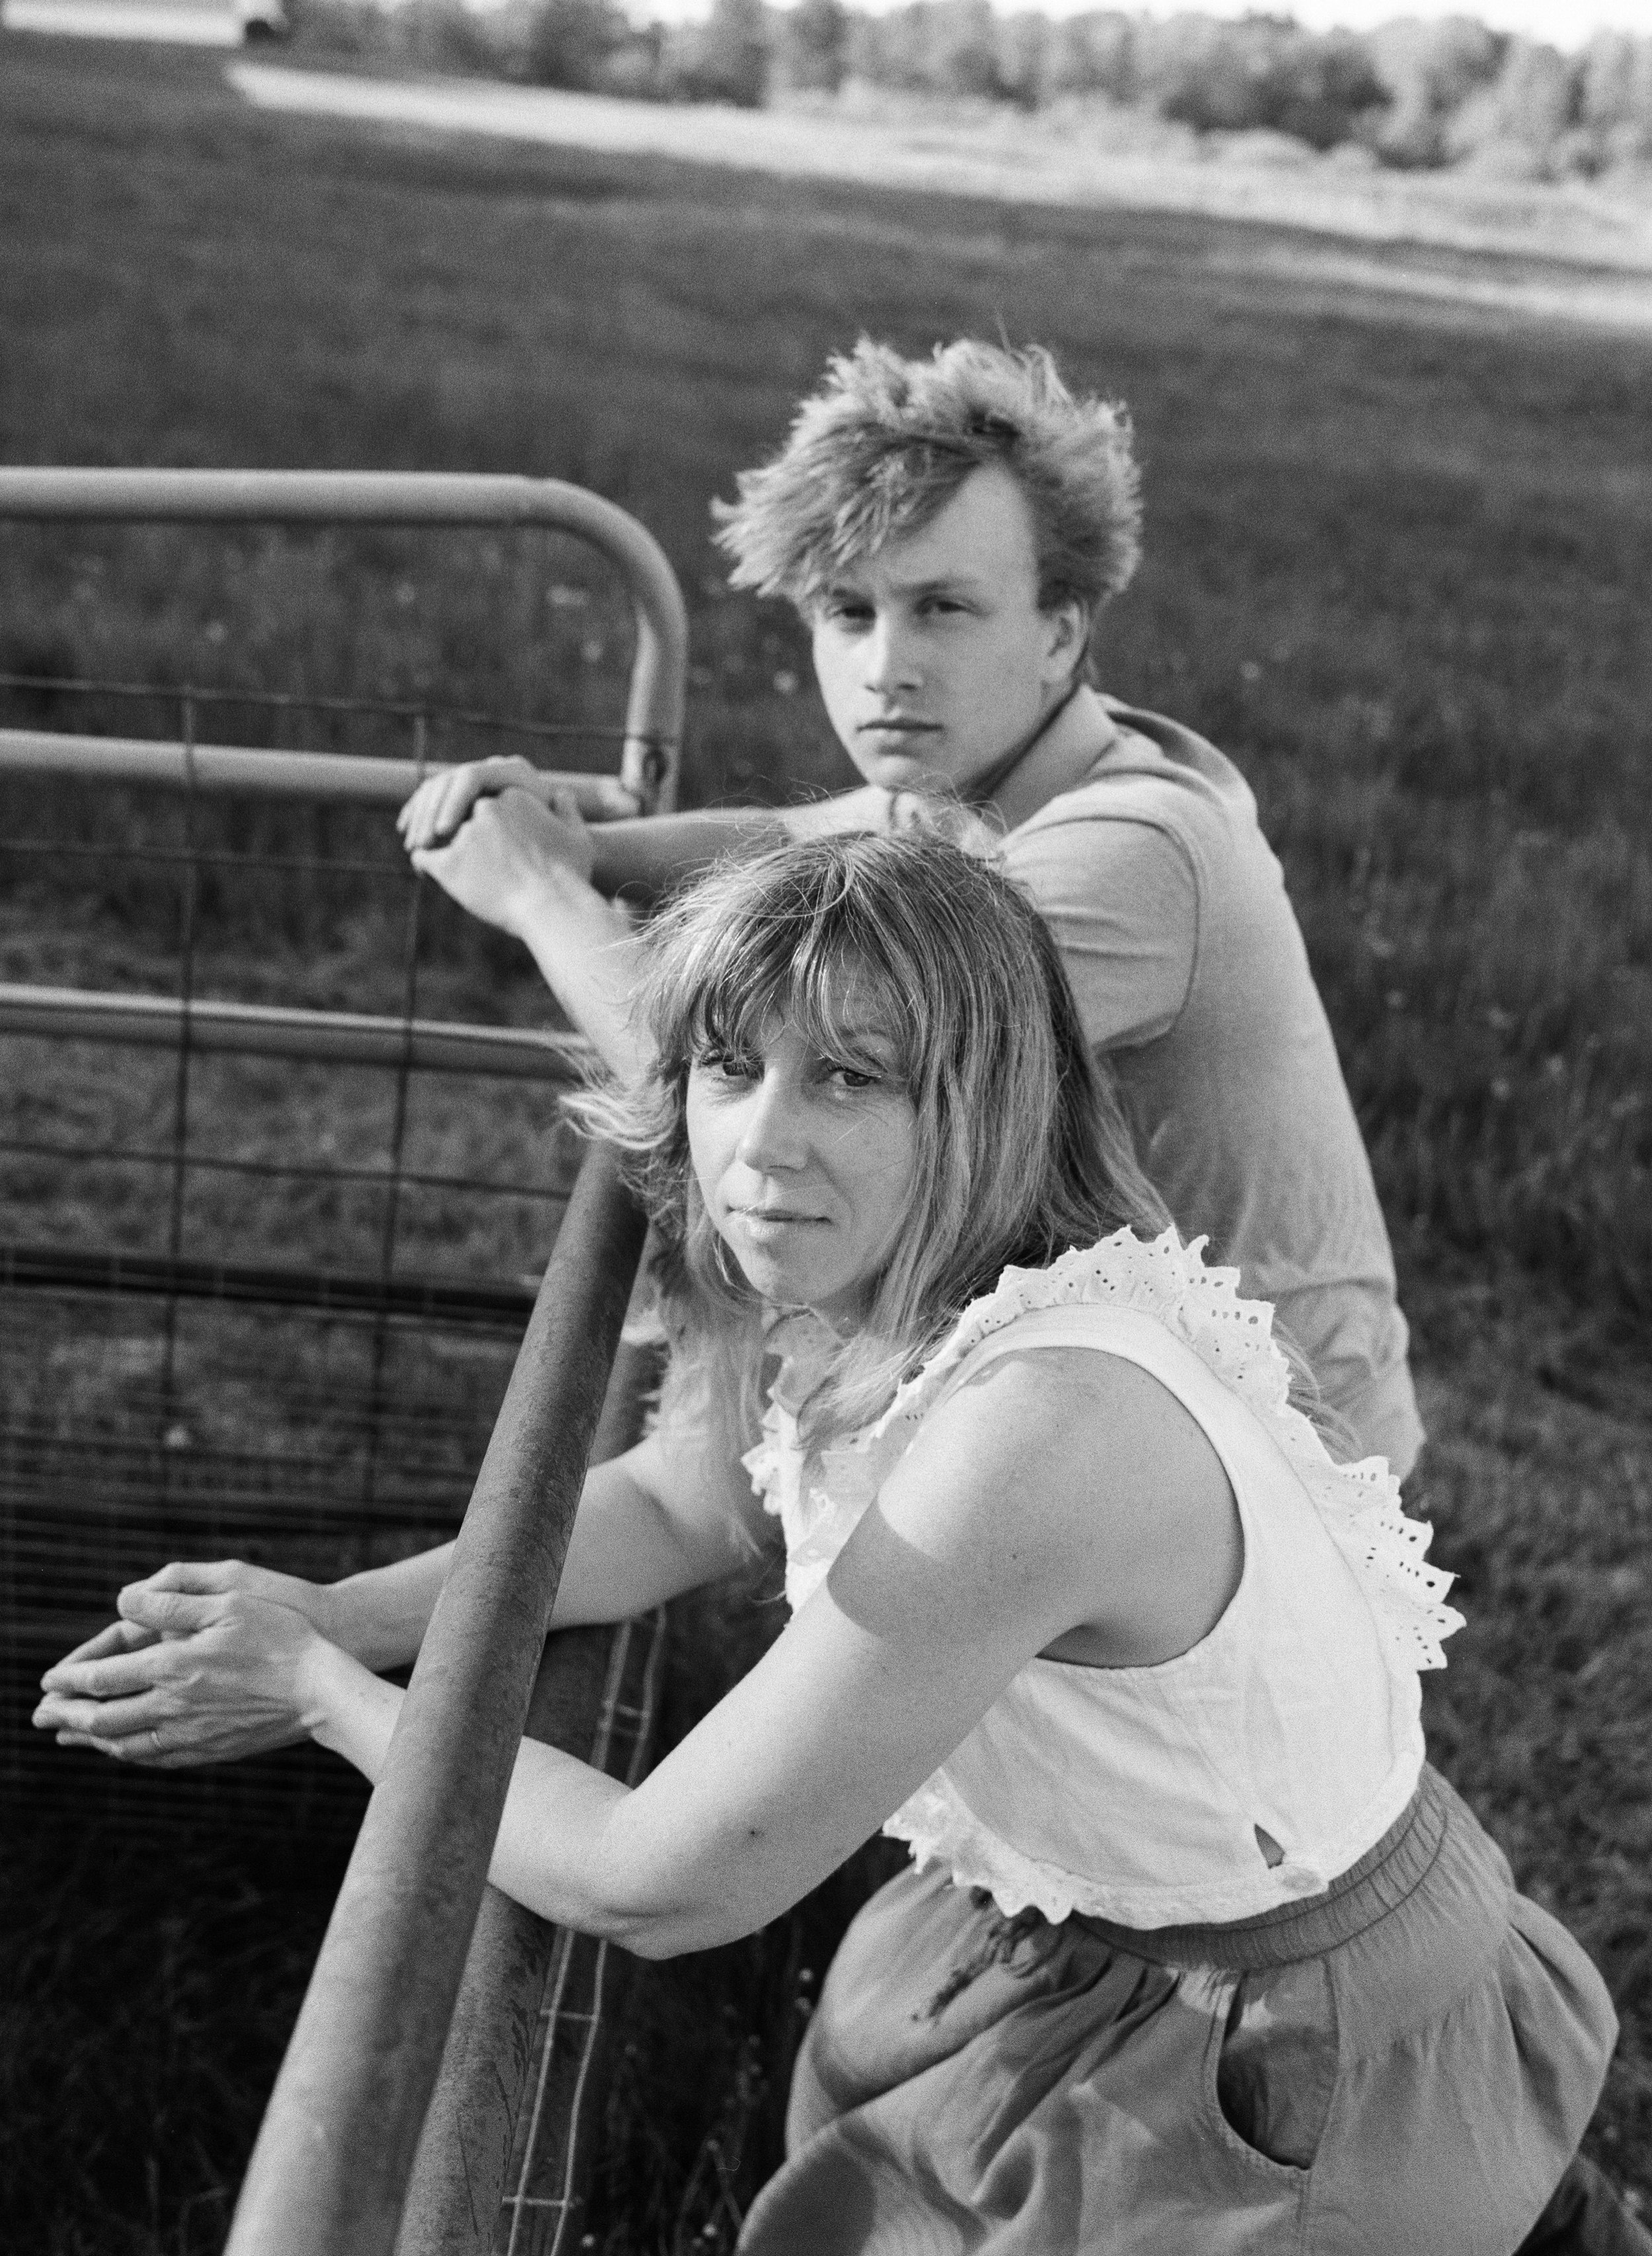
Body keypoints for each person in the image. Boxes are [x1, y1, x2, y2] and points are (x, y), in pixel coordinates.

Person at [36, 835, 1623, 2254]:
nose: (760, 1149)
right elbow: (678, 1504)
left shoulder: (1045, 1424)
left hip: (1259, 2040)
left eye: (851, 1079)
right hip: (1092, 1927)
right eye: (729, 1068)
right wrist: (350, 1608)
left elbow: (659, 1883)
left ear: (985, 1097)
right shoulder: (877, 1276)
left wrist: (321, 1691)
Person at [396, 337, 1423, 1475]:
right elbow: (799, 835)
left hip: (1267, 1463)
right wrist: (586, 841)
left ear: (1062, 631)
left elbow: (729, 1055)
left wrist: (540, 891)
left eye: (942, 608)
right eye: (848, 611)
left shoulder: (1133, 846)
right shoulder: (975, 779)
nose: (888, 666)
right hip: (1103, 1398)